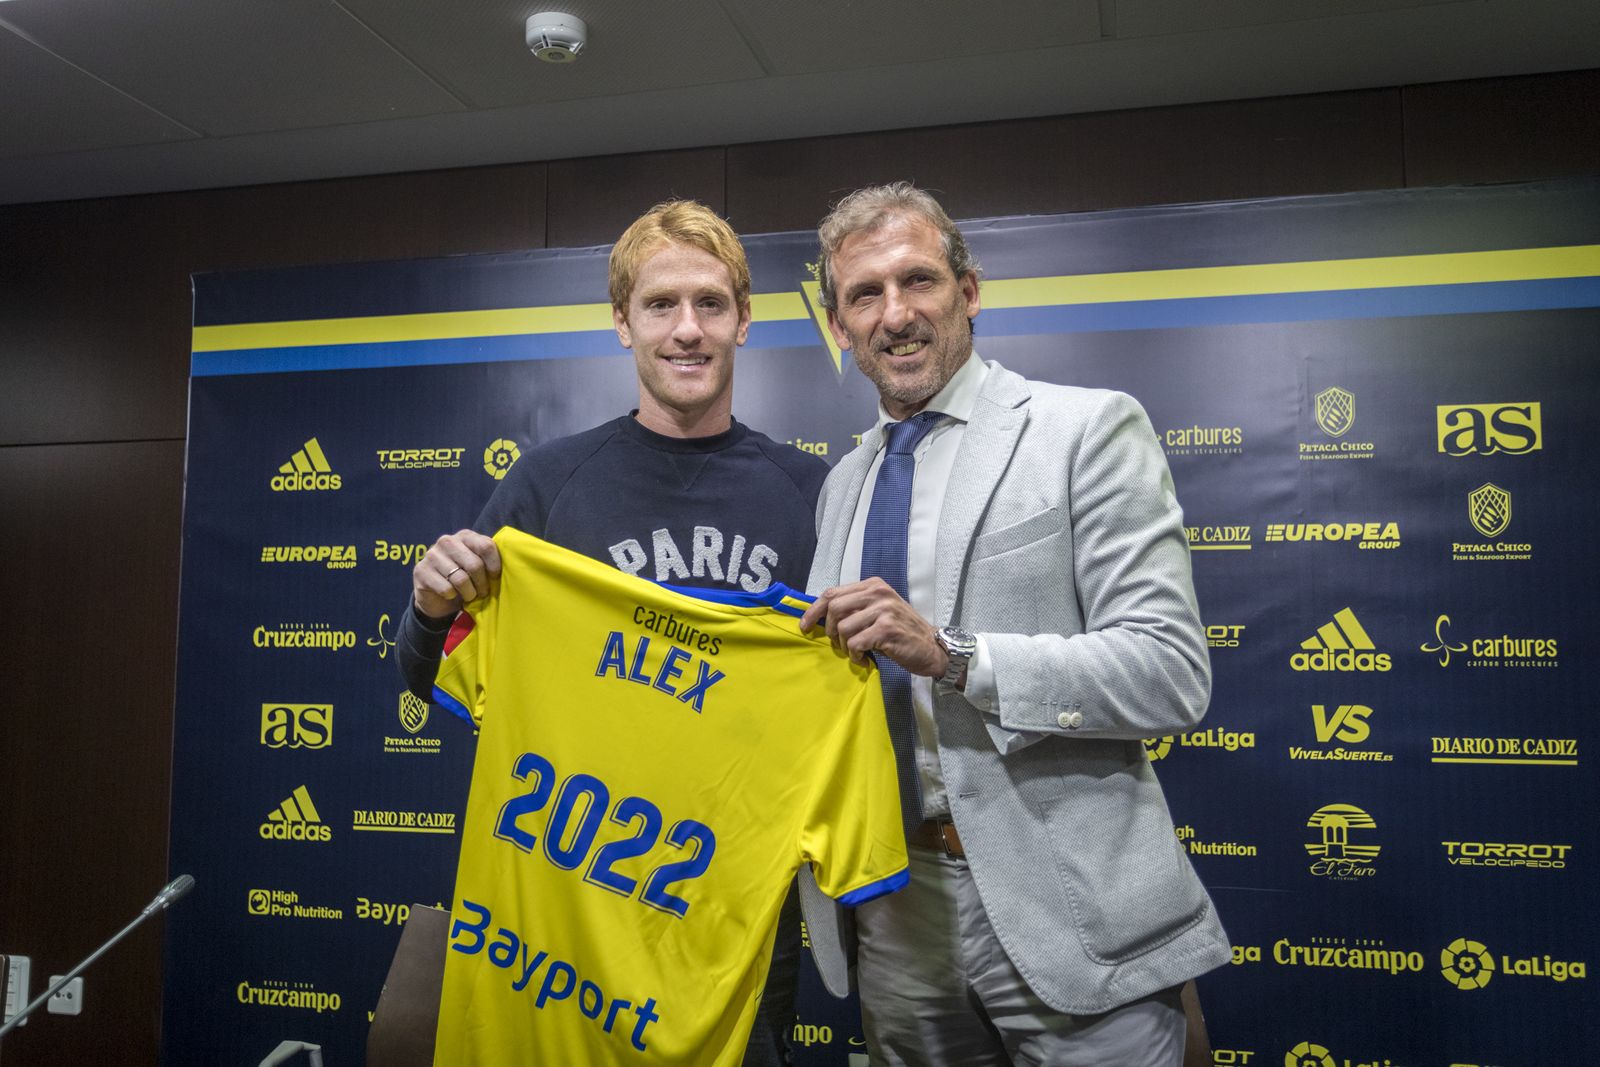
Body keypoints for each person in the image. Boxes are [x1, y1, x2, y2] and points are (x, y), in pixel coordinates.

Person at [797, 182, 1230, 1065]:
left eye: (917, 279)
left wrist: (952, 654)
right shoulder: (842, 484)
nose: (895, 313)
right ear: (839, 328)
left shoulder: (1084, 429)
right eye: (864, 295)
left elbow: (1169, 668)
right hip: (894, 908)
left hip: (1069, 906)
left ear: (970, 290)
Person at [398, 199, 827, 1066]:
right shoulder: (549, 484)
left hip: (736, 928)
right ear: (622, 325)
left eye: (711, 304)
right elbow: (425, 676)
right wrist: (430, 608)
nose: (687, 329)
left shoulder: (815, 493)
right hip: (568, 930)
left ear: (746, 320)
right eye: (660, 305)